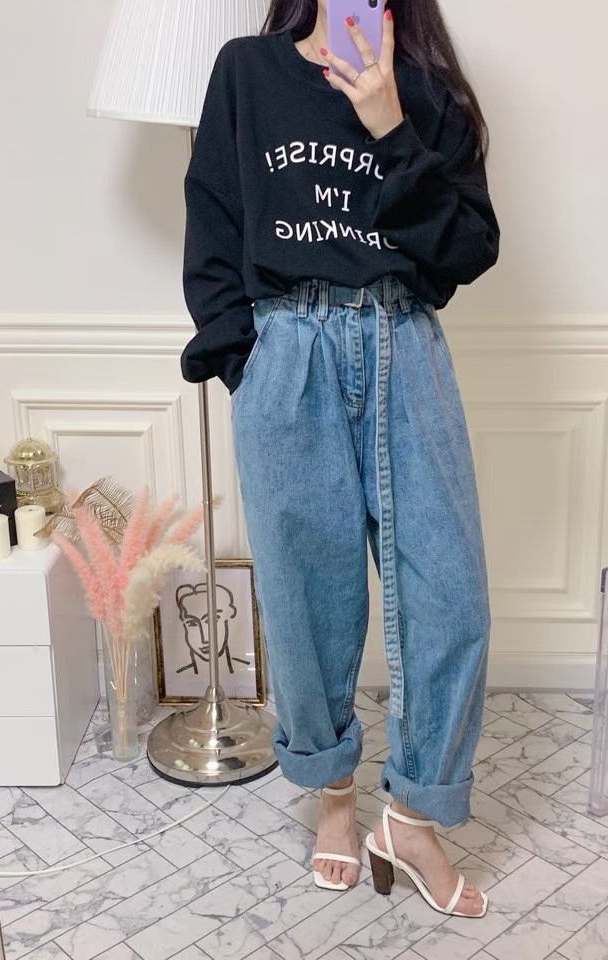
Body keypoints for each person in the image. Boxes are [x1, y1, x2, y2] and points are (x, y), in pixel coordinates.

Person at [180, 0, 500, 919]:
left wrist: (389, 124)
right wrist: (246, 360)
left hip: (405, 345)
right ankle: (332, 794)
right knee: (307, 600)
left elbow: (469, 250)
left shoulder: (430, 94)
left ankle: (414, 819)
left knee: (450, 597)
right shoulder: (248, 72)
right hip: (289, 351)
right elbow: (212, 220)